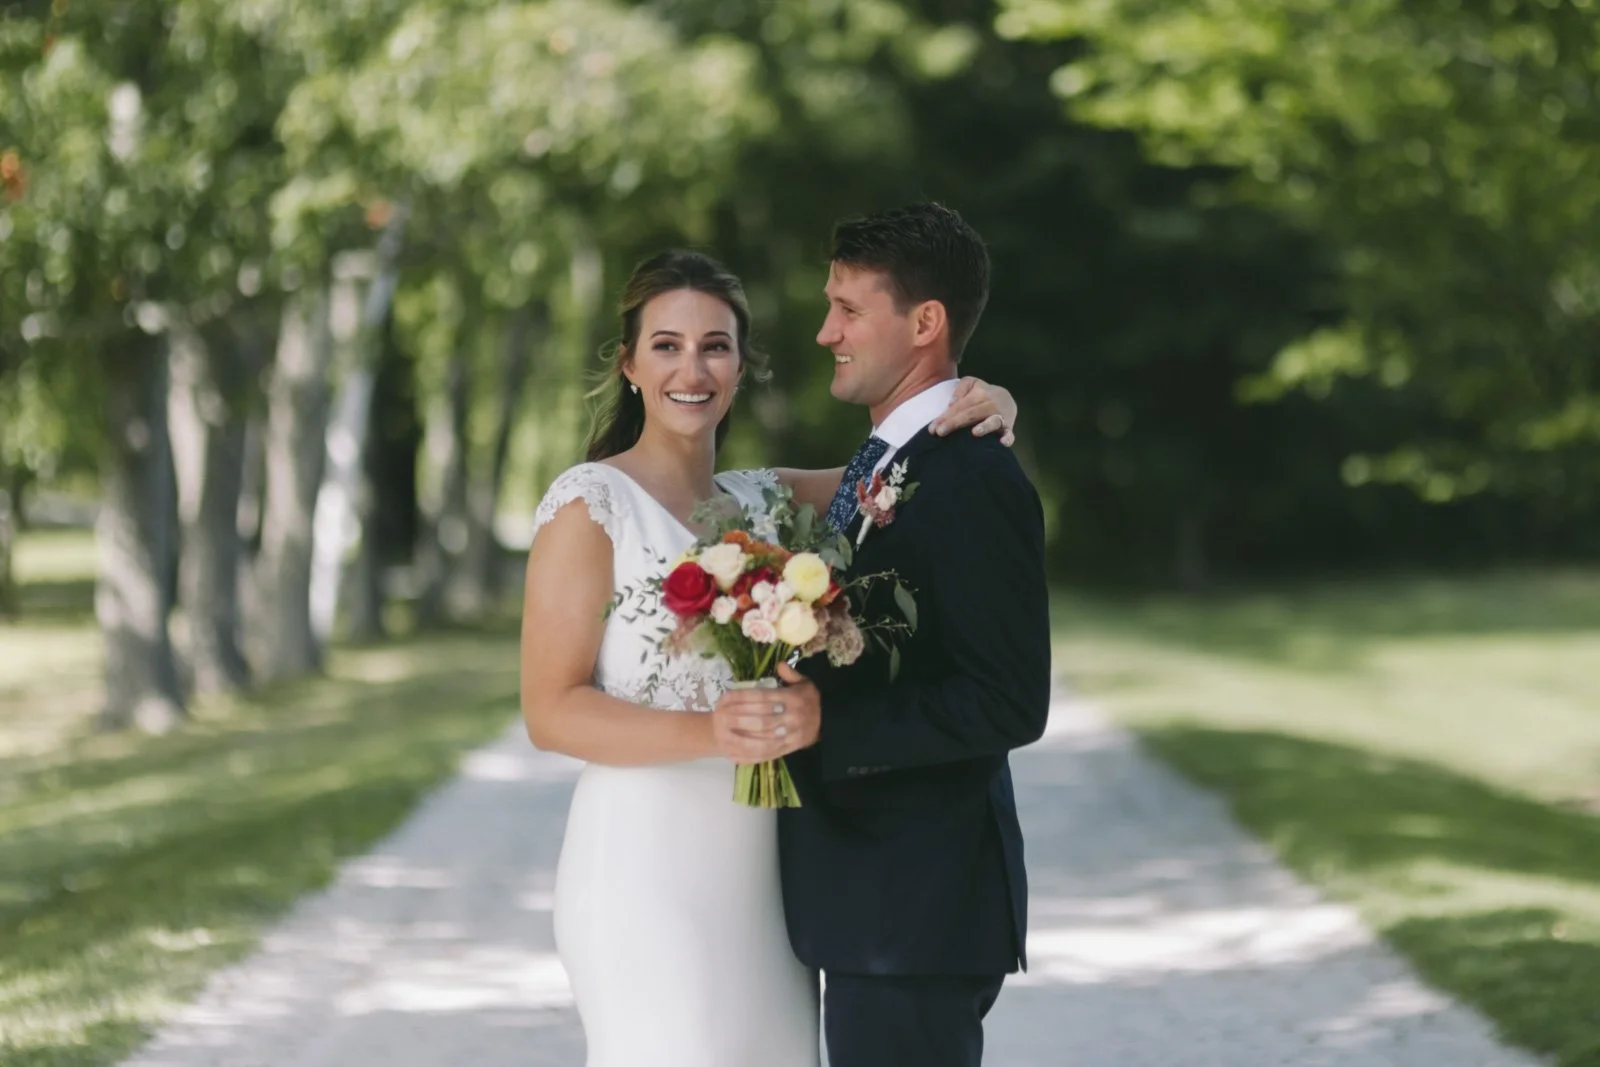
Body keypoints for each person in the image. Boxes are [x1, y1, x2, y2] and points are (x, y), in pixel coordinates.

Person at [518, 248, 1018, 1067]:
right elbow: (551, 709)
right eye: (668, 345)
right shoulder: (590, 504)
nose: (693, 367)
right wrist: (717, 733)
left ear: (741, 364)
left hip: (767, 879)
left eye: (715, 345)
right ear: (630, 364)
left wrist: (987, 399)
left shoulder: (766, 501)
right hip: (644, 867)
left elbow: (903, 469)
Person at [713, 204, 1052, 1067]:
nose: (827, 330)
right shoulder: (896, 465)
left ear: (926, 323)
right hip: (870, 905)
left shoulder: (973, 477)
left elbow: (1008, 699)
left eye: (849, 309)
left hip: (916, 913)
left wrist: (830, 724)